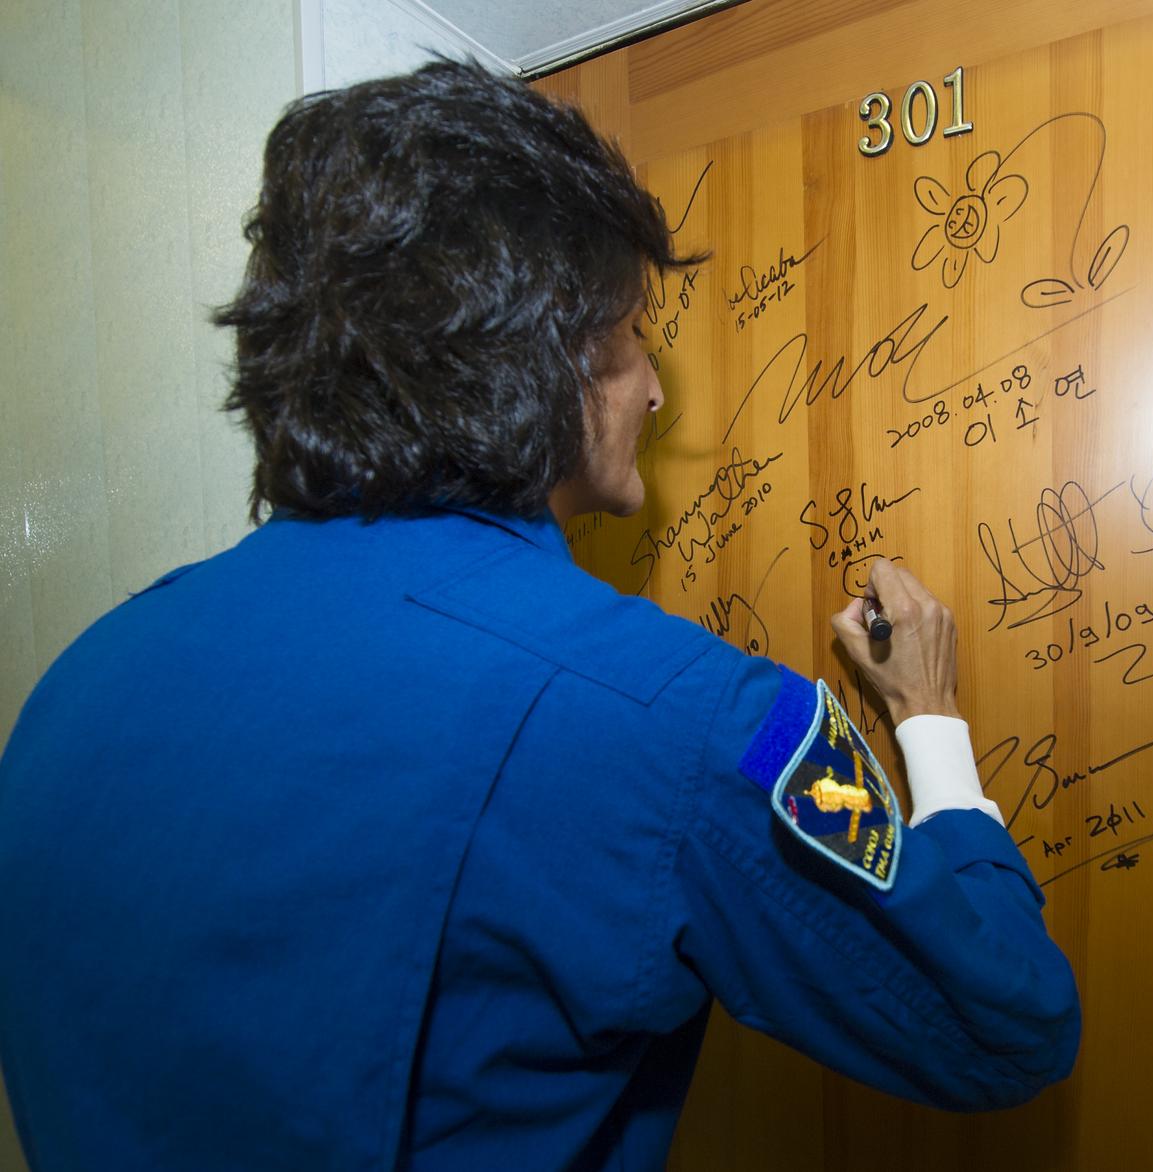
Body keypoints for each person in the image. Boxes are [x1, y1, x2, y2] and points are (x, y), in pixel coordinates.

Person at [0, 60, 1079, 1172]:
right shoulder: (699, 717)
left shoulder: (74, 690)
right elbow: (1008, 1022)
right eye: (634, 335)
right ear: (556, 356)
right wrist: (929, 720)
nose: (653, 390)